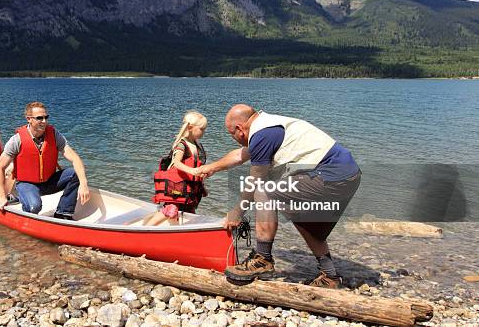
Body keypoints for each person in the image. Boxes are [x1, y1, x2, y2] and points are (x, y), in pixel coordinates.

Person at [196, 104, 361, 288]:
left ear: (239, 130)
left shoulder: (262, 135)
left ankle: (263, 259)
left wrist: (236, 212)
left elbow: (255, 182)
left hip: (332, 176)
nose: (234, 139)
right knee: (300, 215)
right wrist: (210, 168)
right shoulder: (267, 126)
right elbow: (238, 155)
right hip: (347, 175)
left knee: (264, 188)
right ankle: (330, 275)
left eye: (231, 135)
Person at [0, 102, 90, 219]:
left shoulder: (54, 135)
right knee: (34, 207)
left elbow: (75, 158)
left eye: (46, 117)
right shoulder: (16, 140)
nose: (44, 121)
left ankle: (63, 213)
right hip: (27, 184)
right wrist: (2, 196)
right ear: (29, 119)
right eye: (39, 118)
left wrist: (84, 184)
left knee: (75, 173)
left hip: (49, 181)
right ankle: (22, 200)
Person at [145, 111, 208, 226]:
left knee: (189, 212)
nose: (204, 132)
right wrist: (192, 171)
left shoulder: (196, 145)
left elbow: (197, 166)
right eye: (202, 129)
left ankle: (176, 235)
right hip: (176, 188)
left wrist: (202, 186)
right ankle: (144, 230)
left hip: (188, 190)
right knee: (171, 210)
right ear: (190, 127)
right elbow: (177, 163)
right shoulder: (181, 144)